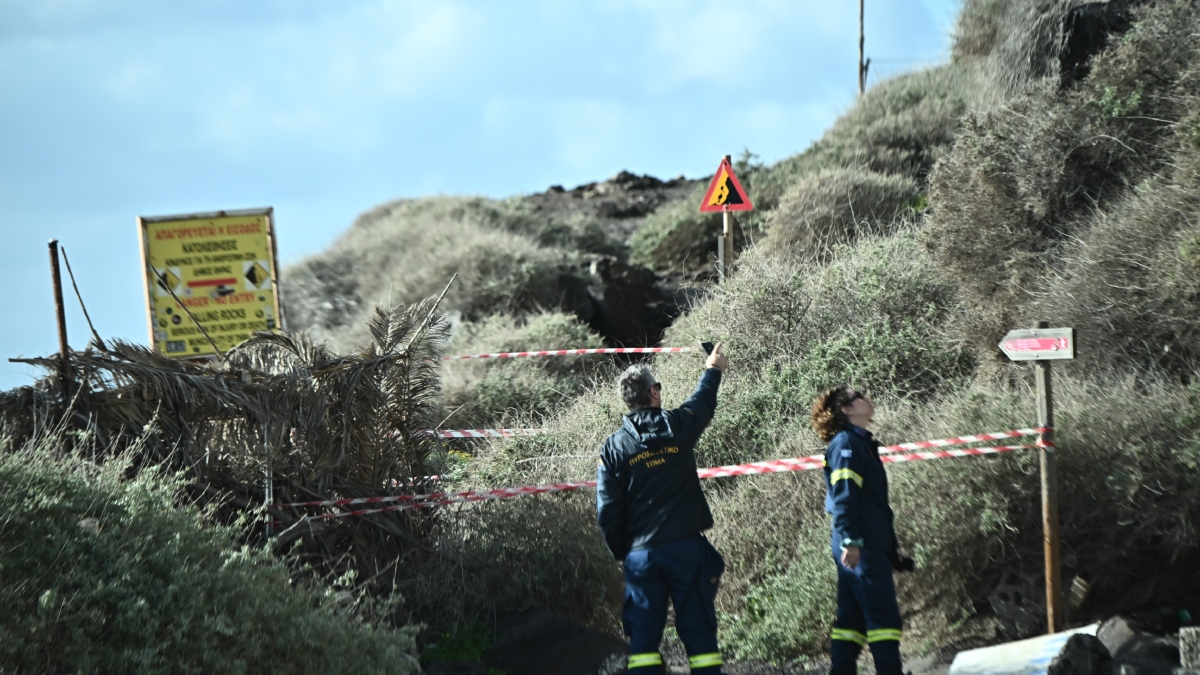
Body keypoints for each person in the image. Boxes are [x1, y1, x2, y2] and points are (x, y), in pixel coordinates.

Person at [596, 343, 729, 674]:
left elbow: (608, 509)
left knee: (642, 643)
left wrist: (621, 552)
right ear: (654, 392)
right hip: (686, 549)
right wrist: (713, 369)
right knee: (699, 637)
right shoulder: (677, 426)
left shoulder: (612, 448)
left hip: (641, 556)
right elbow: (703, 403)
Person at [810, 385, 913, 675]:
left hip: (867, 540)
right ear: (847, 410)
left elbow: (873, 505)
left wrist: (890, 547)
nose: (867, 397)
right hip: (859, 543)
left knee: (851, 621)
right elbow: (844, 497)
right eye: (859, 395)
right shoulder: (846, 445)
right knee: (884, 619)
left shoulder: (860, 443)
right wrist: (851, 540)